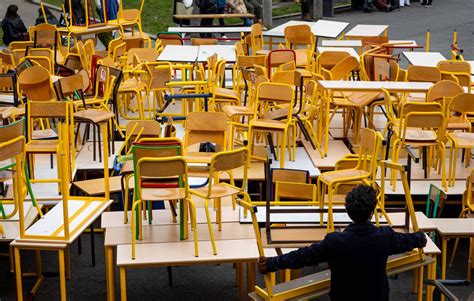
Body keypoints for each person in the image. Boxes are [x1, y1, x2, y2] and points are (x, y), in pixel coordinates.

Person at [258, 185, 427, 301]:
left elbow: (303, 256)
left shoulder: (335, 241)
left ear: (348, 211)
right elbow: (408, 241)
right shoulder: (384, 236)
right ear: (371, 212)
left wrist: (272, 263)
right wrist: (421, 238)